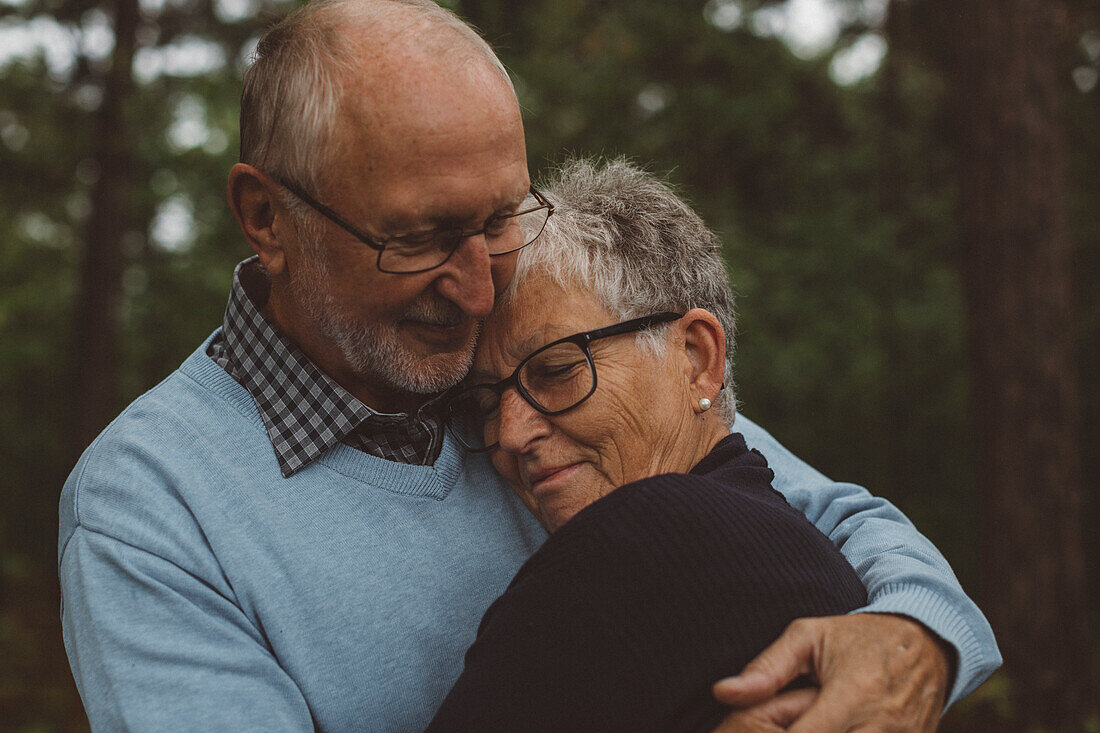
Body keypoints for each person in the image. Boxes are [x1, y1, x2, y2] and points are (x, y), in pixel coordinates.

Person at [57, 1, 1000, 731]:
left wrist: (916, 638)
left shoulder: (524, 360)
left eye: (502, 218)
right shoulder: (150, 505)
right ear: (267, 218)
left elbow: (826, 511)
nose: (478, 287)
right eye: (422, 237)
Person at [426, 158, 870, 731]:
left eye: (558, 369)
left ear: (696, 358)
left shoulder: (639, 535)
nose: (510, 434)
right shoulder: (798, 544)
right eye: (485, 403)